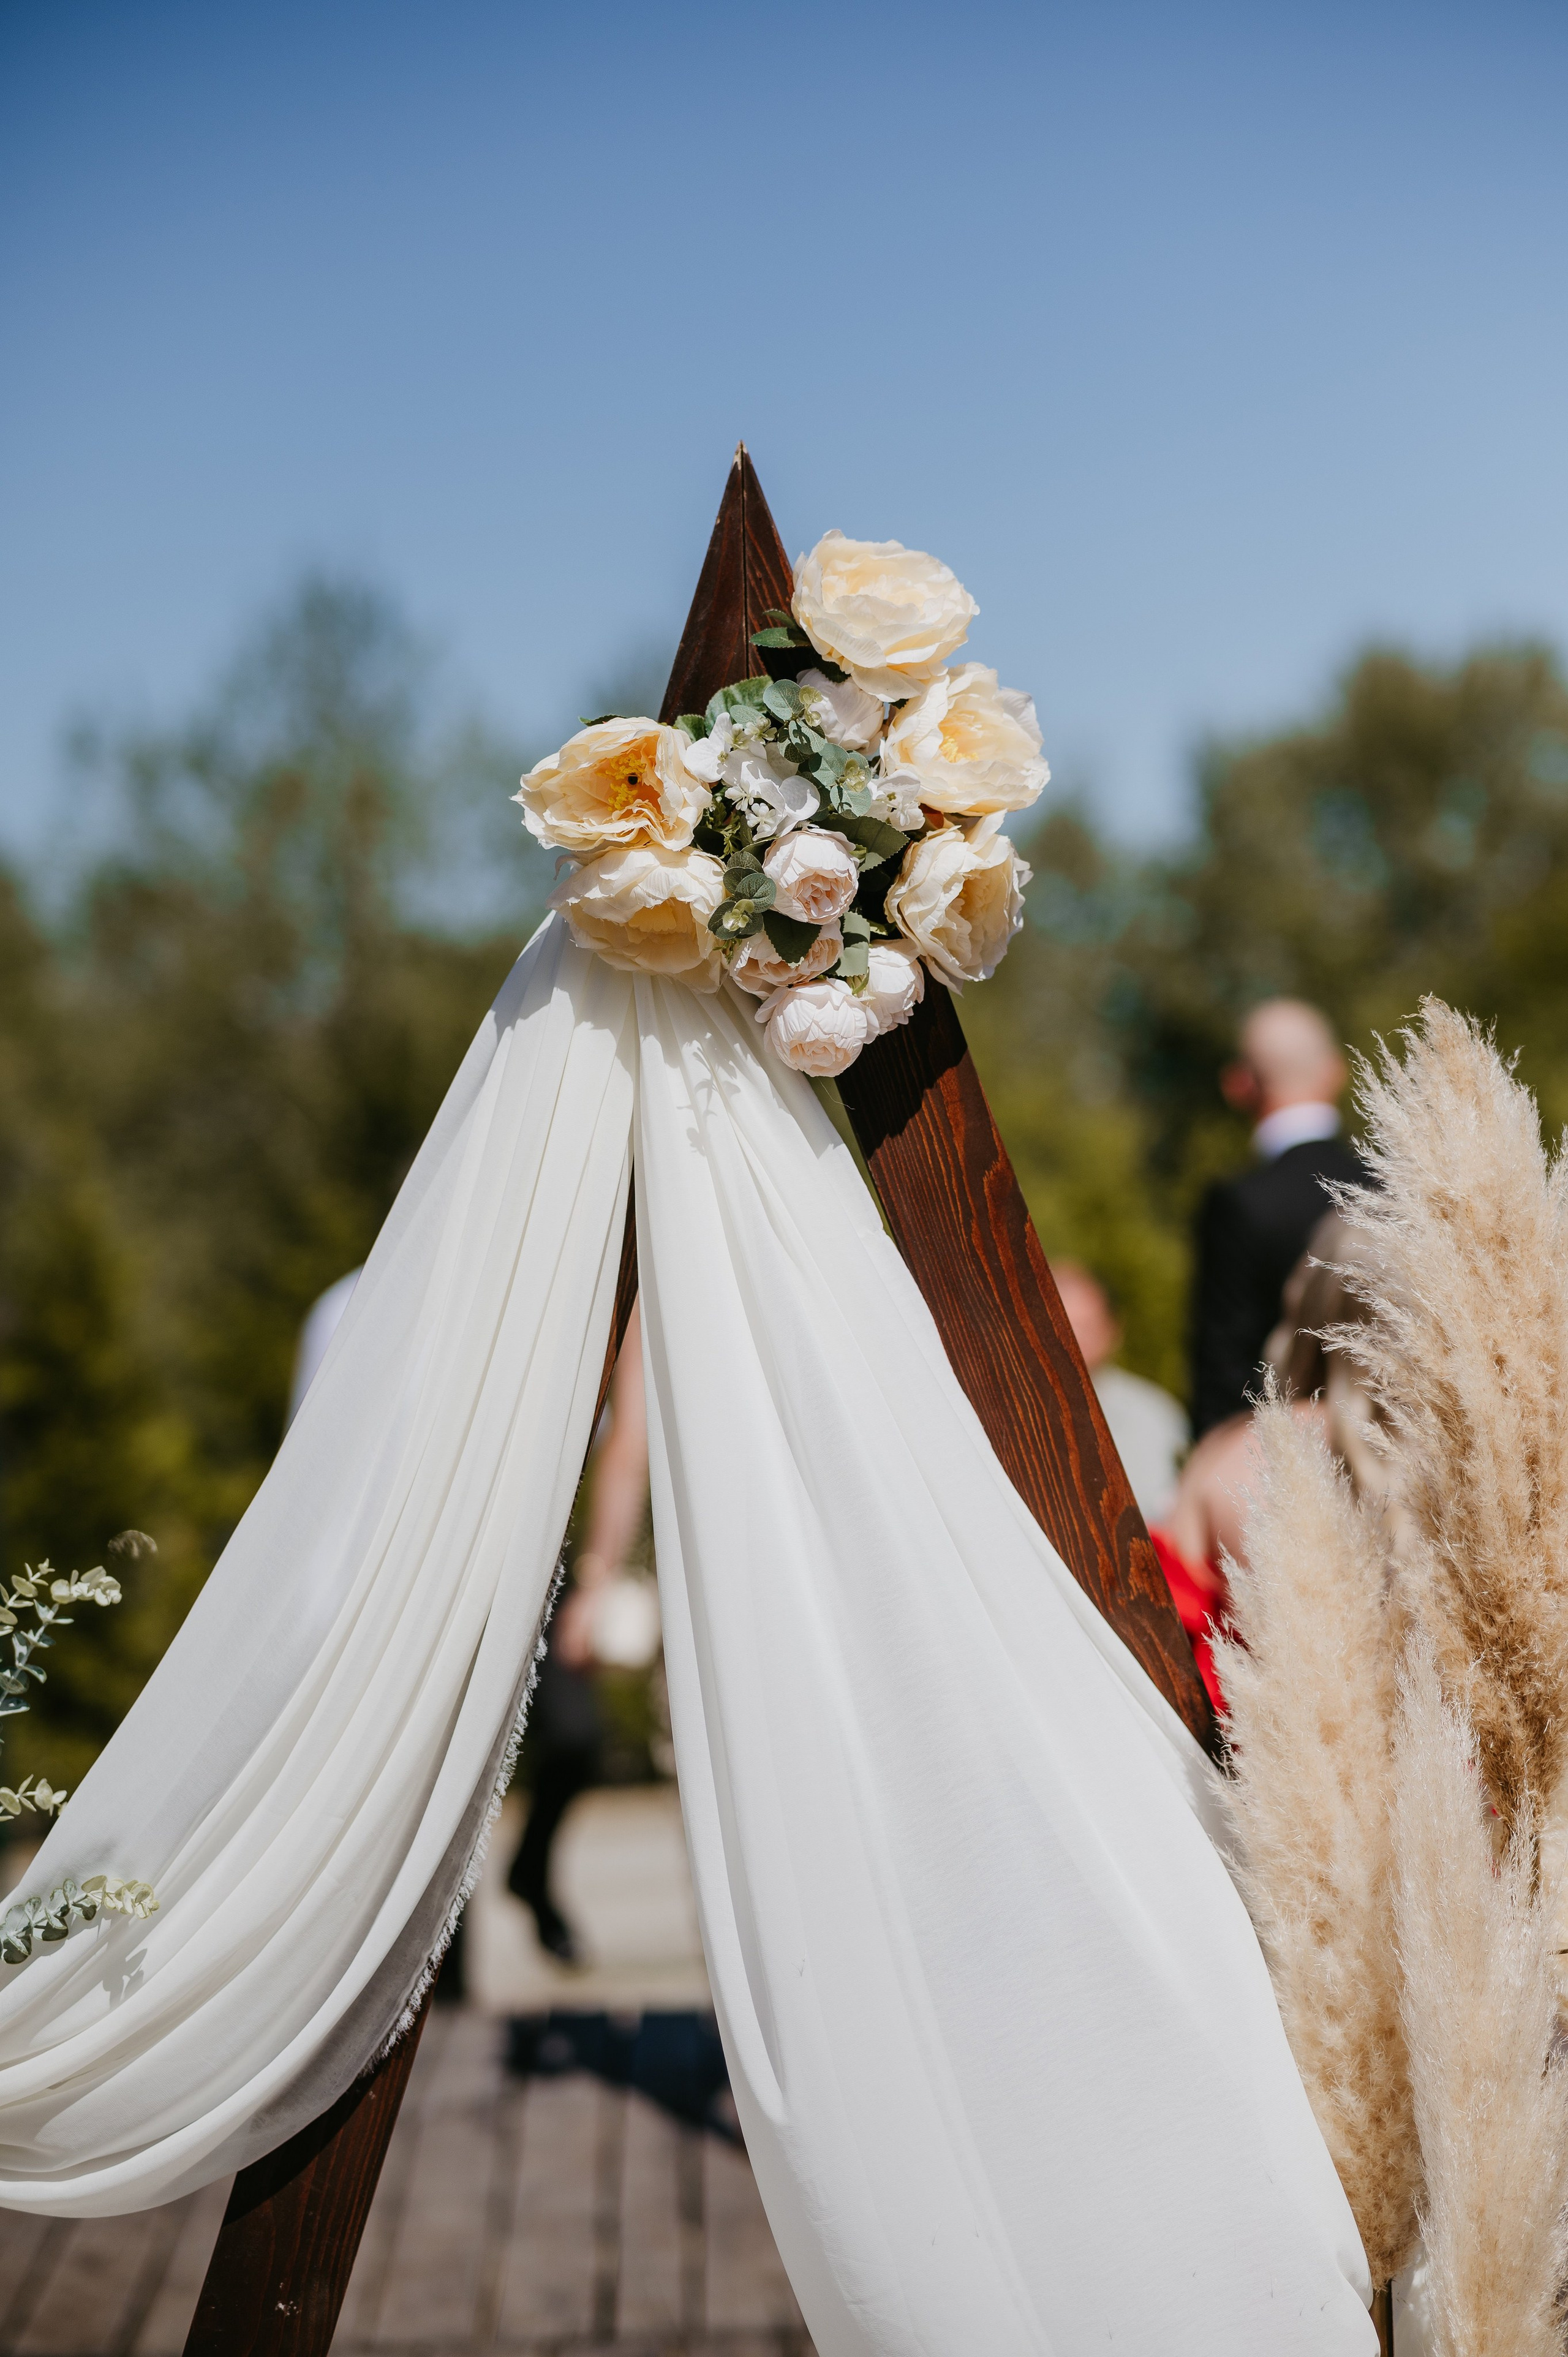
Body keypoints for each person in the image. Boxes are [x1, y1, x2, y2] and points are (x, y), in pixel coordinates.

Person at [507, 1303, 650, 1964]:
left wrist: (594, 1580)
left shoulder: (626, 1294)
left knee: (575, 1737)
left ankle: (530, 1869)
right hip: (462, 1549)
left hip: (552, 1557)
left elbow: (629, 1441)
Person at [1189, 998, 1363, 1437]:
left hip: (1278, 1467)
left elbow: (1223, 1372)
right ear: (1335, 1072)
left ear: (1239, 1085)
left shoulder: (1238, 1203)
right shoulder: (1397, 1187)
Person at [1051, 1261, 1188, 1526]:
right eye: (1062, 1323)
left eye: (1086, 1326)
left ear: (1112, 1330)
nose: (1075, 1339)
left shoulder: (1155, 1413)